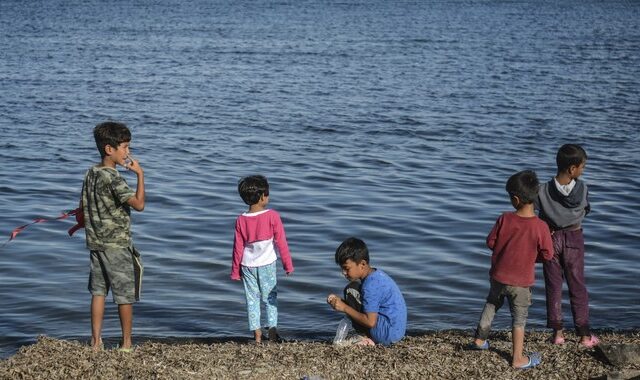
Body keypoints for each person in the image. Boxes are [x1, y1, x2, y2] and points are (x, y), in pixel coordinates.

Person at [470, 170, 553, 369]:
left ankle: (479, 340)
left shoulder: (504, 219)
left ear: (515, 199)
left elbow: (490, 242)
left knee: (491, 304)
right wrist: (532, 256)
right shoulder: (541, 227)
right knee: (519, 318)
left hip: (498, 276)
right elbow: (548, 255)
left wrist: (505, 248)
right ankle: (517, 358)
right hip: (522, 282)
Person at [80, 121, 145, 352]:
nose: (128, 152)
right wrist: (140, 175)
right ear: (110, 149)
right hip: (116, 243)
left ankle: (96, 342)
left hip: (95, 242)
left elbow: (83, 206)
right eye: (125, 147)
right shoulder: (114, 178)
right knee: (124, 295)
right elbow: (138, 205)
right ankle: (126, 343)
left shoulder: (91, 173)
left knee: (98, 291)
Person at [536, 144, 599, 347]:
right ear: (572, 169)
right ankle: (583, 335)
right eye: (582, 167)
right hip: (574, 237)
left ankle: (558, 334)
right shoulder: (583, 189)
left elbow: (536, 214)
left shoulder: (542, 189)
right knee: (577, 285)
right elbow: (586, 209)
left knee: (553, 286)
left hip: (550, 238)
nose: (583, 170)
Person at [231, 175, 294, 344]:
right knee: (270, 298)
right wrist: (288, 265)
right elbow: (281, 242)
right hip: (267, 264)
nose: (268, 196)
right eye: (267, 193)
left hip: (247, 265)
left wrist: (235, 271)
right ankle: (272, 332)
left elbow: (237, 248)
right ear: (262, 196)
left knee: (252, 300)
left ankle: (257, 335)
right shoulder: (273, 216)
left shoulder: (241, 219)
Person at [327, 237, 407, 346]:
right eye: (342, 268)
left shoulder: (370, 286)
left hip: (385, 335)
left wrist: (344, 307)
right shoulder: (377, 275)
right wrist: (340, 302)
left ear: (362, 264)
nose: (343, 273)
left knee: (351, 290)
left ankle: (365, 338)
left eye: (347, 268)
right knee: (354, 290)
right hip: (395, 332)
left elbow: (370, 322)